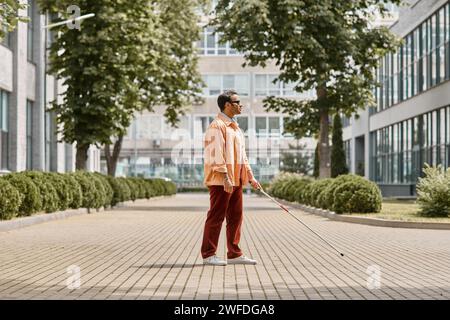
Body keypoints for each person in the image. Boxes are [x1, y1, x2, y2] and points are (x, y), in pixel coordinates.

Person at [201, 90, 262, 266]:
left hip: (236, 179)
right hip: (222, 180)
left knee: (236, 216)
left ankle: (234, 254)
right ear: (227, 105)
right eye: (237, 102)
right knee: (216, 216)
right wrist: (225, 177)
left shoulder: (235, 128)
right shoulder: (217, 126)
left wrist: (250, 177)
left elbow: (242, 156)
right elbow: (215, 154)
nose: (240, 105)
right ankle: (208, 254)